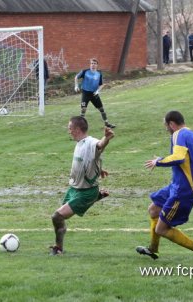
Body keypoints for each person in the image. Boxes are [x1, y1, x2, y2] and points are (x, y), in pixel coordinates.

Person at [136, 111, 193, 266]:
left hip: (182, 191)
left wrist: (158, 162)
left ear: (172, 124)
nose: (166, 128)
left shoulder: (178, 135)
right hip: (176, 185)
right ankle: (153, 249)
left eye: (166, 125)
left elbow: (179, 157)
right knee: (153, 209)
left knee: (161, 229)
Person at [50, 116, 115, 255]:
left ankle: (58, 248)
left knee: (57, 216)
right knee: (60, 219)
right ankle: (97, 197)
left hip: (85, 192)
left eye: (70, 128)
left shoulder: (91, 142)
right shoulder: (79, 143)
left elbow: (99, 146)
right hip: (74, 189)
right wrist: (98, 168)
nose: (69, 131)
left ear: (78, 129)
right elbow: (92, 159)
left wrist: (107, 138)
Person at [74, 58, 115, 128]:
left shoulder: (99, 73)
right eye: (92, 63)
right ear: (90, 64)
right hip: (85, 93)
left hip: (94, 94)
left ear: (97, 65)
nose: (93, 65)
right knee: (83, 109)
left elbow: (101, 84)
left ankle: (107, 123)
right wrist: (76, 86)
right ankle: (81, 126)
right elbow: (76, 77)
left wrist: (98, 91)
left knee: (101, 109)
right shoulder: (85, 71)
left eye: (94, 63)